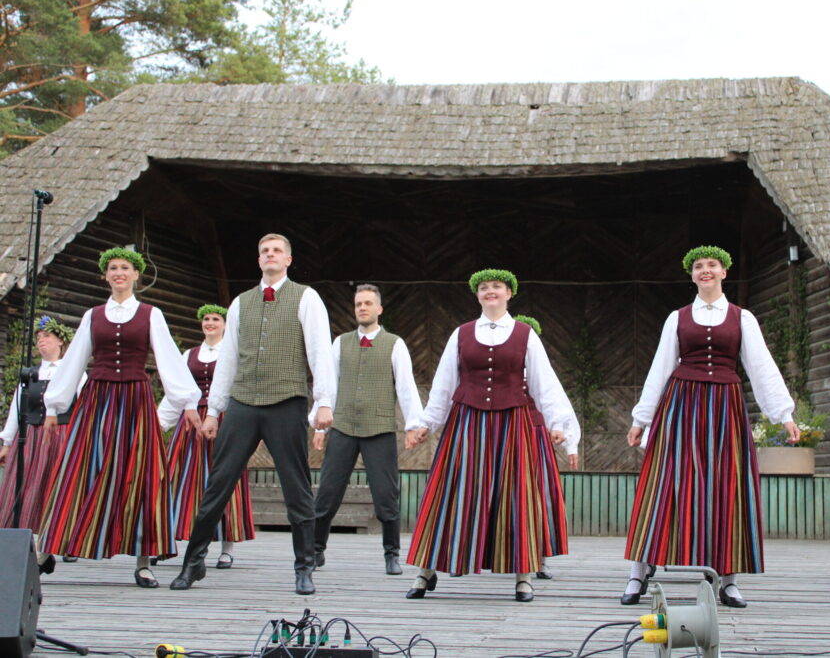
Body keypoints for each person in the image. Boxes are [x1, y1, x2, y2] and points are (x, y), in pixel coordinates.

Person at [623, 246, 799, 608]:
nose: (705, 271)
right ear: (691, 275)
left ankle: (728, 581)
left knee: (727, 486)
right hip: (681, 405)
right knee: (663, 483)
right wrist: (642, 419)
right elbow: (660, 367)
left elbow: (761, 366)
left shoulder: (742, 318)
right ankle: (638, 574)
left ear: (724, 272)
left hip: (725, 408)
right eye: (698, 267)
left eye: (712, 265)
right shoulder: (677, 318)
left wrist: (784, 414)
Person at [170, 233, 335, 596]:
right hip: (243, 401)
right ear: (259, 259)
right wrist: (214, 409)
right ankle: (193, 562)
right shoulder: (241, 303)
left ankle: (304, 568)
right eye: (264, 251)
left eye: (277, 251)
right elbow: (228, 360)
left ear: (288, 260)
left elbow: (320, 351)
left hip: (286, 400)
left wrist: (324, 401)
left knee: (296, 487)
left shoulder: (306, 297)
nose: (270, 255)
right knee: (218, 483)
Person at [404, 270, 579, 602]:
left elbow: (545, 385)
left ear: (509, 293)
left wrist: (560, 425)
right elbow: (444, 384)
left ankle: (523, 576)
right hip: (467, 422)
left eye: (496, 287)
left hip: (514, 425)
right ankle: (426, 571)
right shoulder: (462, 333)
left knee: (517, 495)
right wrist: (427, 422)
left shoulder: (526, 335)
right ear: (477, 295)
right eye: (484, 288)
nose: (490, 292)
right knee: (451, 492)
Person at [37, 248, 202, 587]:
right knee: (79, 467)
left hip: (135, 400)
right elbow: (74, 362)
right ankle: (46, 550)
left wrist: (186, 402)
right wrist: (54, 405)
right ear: (105, 276)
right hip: (97, 398)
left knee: (141, 473)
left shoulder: (150, 314)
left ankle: (143, 562)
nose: (118, 273)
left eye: (124, 268)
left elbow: (170, 359)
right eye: (113, 268)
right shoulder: (93, 315)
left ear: (136, 275)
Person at [312, 284, 424, 576]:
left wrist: (413, 425)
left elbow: (406, 386)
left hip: (379, 428)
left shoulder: (394, 343)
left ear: (379, 309)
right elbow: (329, 385)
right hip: (344, 426)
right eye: (358, 303)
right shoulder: (340, 343)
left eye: (368, 303)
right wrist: (320, 426)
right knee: (327, 492)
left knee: (386, 494)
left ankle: (391, 554)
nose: (362, 307)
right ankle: (315, 550)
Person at [158, 304, 255, 569]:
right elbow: (175, 391)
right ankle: (174, 542)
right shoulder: (188, 354)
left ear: (225, 325)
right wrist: (159, 422)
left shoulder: (232, 353)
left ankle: (227, 547)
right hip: (191, 421)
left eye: (215, 319)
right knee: (181, 479)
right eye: (206, 319)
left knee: (226, 479)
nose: (210, 323)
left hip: (224, 420)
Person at [0, 316, 84, 571]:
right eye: (38, 338)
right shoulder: (32, 373)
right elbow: (18, 409)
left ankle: (57, 544)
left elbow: (83, 408)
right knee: (24, 488)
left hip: (62, 435)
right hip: (32, 437)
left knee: (55, 488)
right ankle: (28, 546)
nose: (41, 341)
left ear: (60, 340)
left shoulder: (75, 372)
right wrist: (6, 442)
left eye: (46, 336)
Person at [513, 314, 579, 581]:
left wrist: (571, 444)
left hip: (534, 436)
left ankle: (537, 559)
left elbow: (558, 403)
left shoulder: (540, 371)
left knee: (536, 497)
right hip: (502, 435)